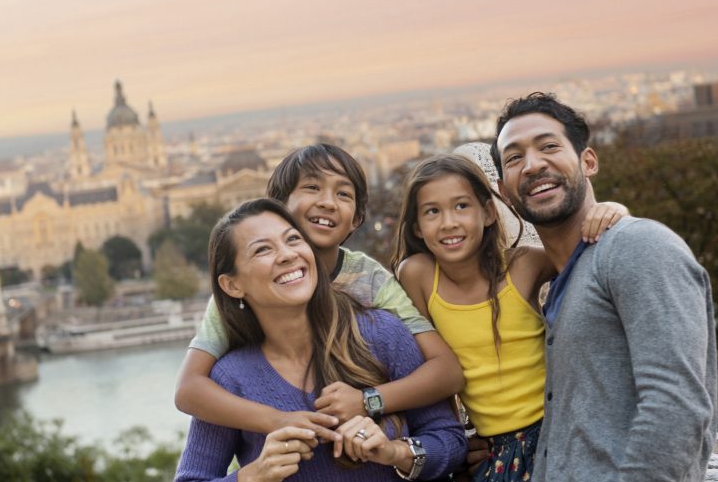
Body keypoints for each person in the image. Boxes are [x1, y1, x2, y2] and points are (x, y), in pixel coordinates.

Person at [491, 92, 717, 481]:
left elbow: (676, 405)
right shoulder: (561, 282)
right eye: (514, 158)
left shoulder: (636, 246)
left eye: (548, 146)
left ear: (588, 161)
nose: (532, 165)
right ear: (504, 190)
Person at [175, 144, 464, 443]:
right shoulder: (246, 289)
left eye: (343, 194)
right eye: (312, 187)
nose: (328, 202)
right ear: (279, 208)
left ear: (356, 220)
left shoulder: (369, 279)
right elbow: (188, 390)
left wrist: (368, 400)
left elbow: (447, 371)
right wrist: (278, 420)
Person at [391, 153, 626, 481]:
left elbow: (592, 259)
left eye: (462, 206)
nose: (449, 222)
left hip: (563, 432)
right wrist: (458, 438)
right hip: (497, 453)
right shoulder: (417, 274)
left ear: (488, 212)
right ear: (417, 226)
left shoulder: (523, 265)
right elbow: (429, 364)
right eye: (433, 211)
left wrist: (614, 212)